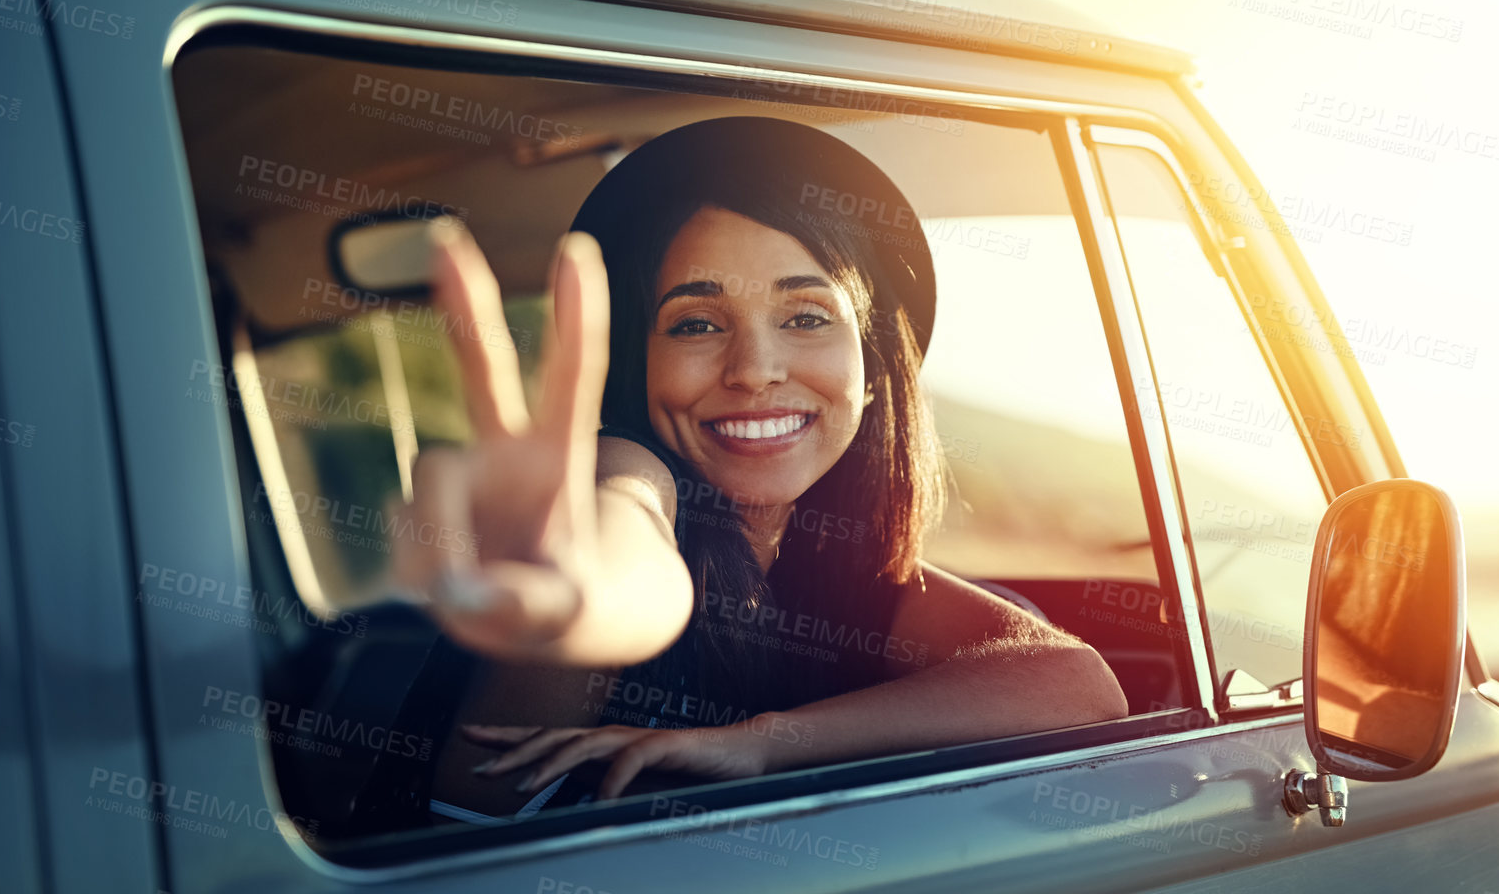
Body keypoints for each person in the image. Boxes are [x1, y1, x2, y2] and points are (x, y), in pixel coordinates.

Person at [362, 116, 1126, 826]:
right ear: (639, 369)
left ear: (870, 371)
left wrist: (766, 741)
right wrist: (574, 589)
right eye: (696, 323)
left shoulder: (848, 563)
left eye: (805, 317)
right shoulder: (627, 467)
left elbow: (1077, 684)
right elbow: (626, 545)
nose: (755, 370)